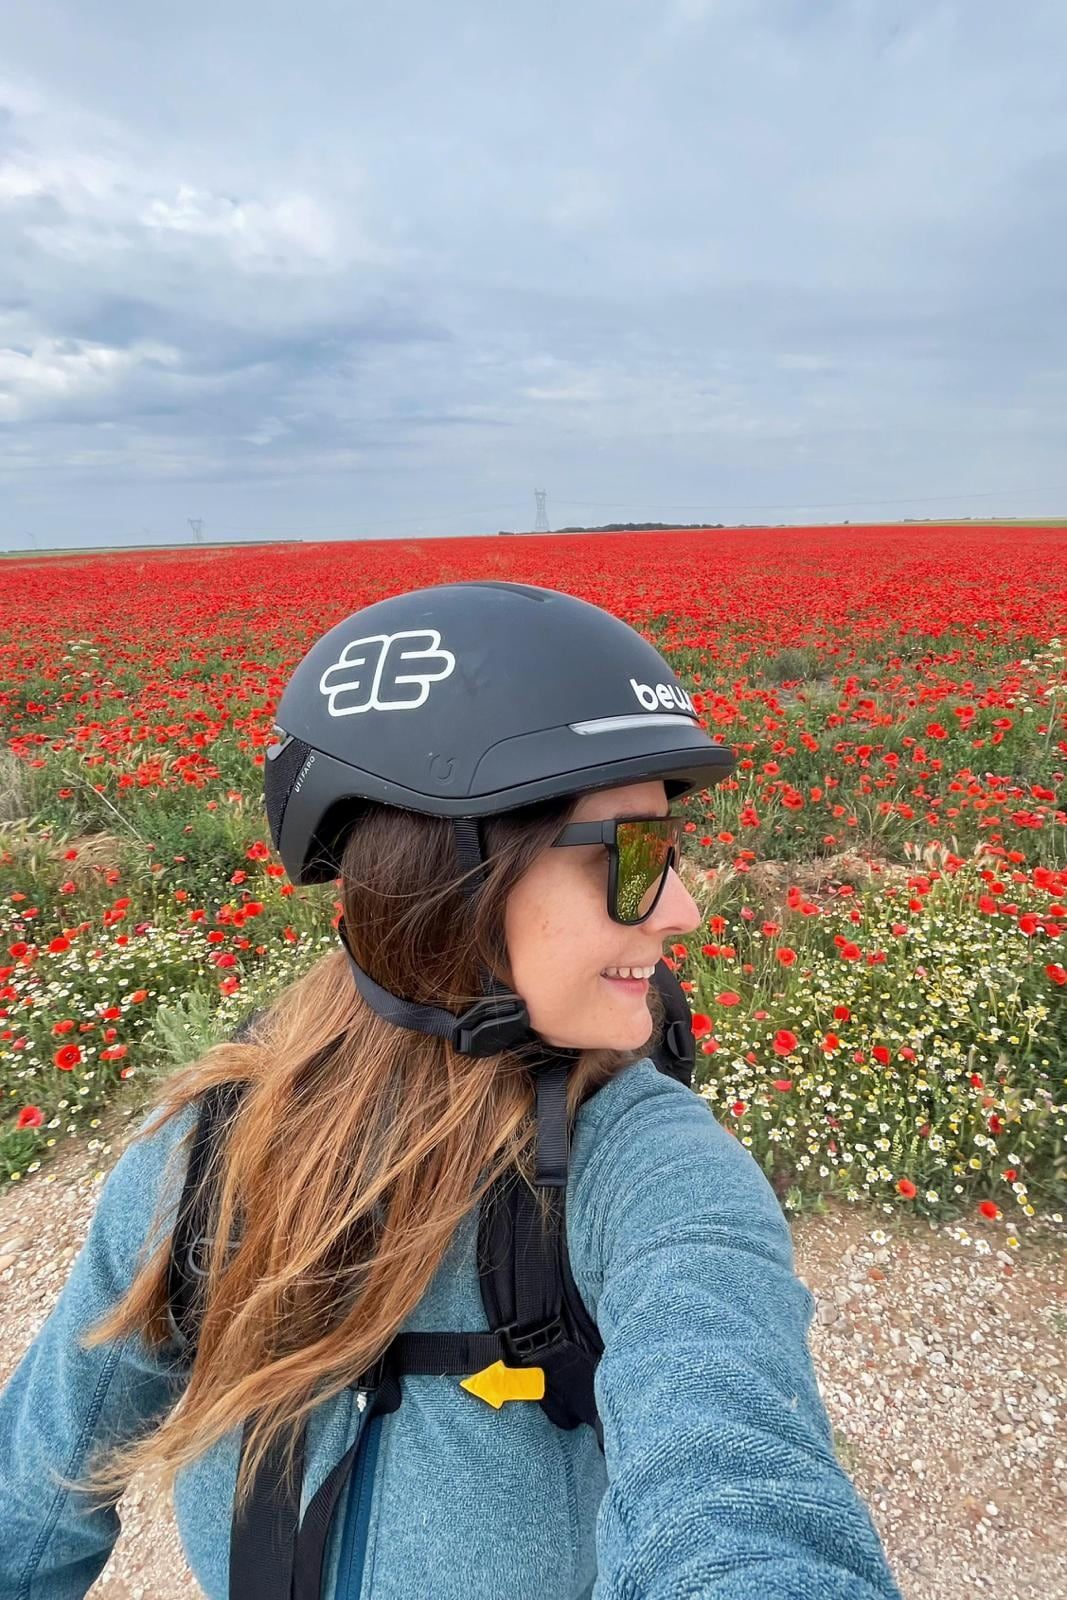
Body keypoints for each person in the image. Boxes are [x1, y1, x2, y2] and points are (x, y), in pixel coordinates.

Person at [0, 581, 904, 1599]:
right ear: (451, 885)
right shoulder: (210, 1153)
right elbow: (34, 1493)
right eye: (635, 857)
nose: (683, 910)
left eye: (672, 851)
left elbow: (738, 1499)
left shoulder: (646, 1170)